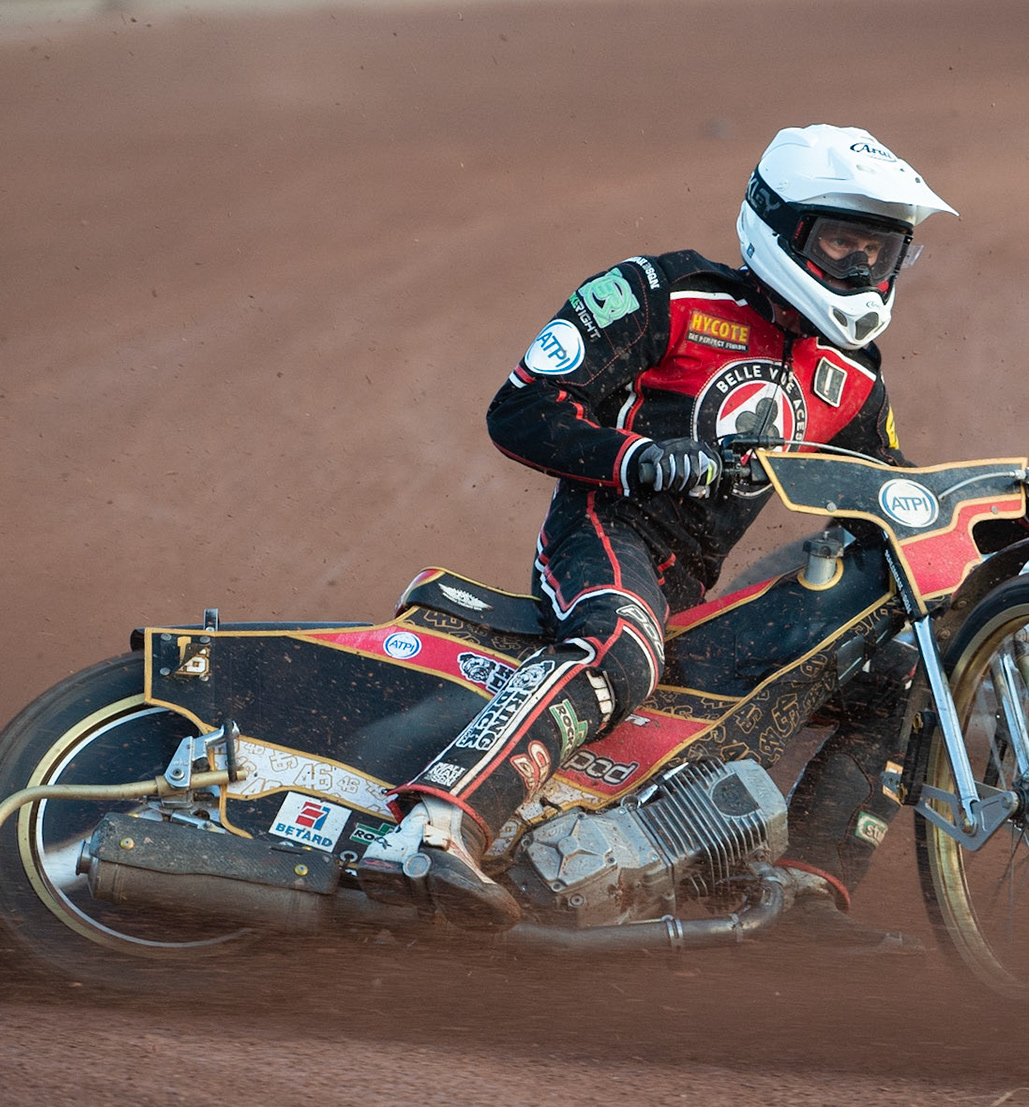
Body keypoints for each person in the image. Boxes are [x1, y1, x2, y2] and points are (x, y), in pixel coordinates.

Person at [367, 125, 996, 942]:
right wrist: (638, 459)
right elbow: (518, 411)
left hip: (693, 590)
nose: (862, 272)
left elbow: (886, 506)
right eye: (843, 243)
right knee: (625, 640)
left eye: (882, 252)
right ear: (781, 228)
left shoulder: (856, 378)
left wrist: (998, 534)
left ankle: (808, 892)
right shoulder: (661, 295)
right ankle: (432, 829)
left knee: (901, 676)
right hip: (604, 531)